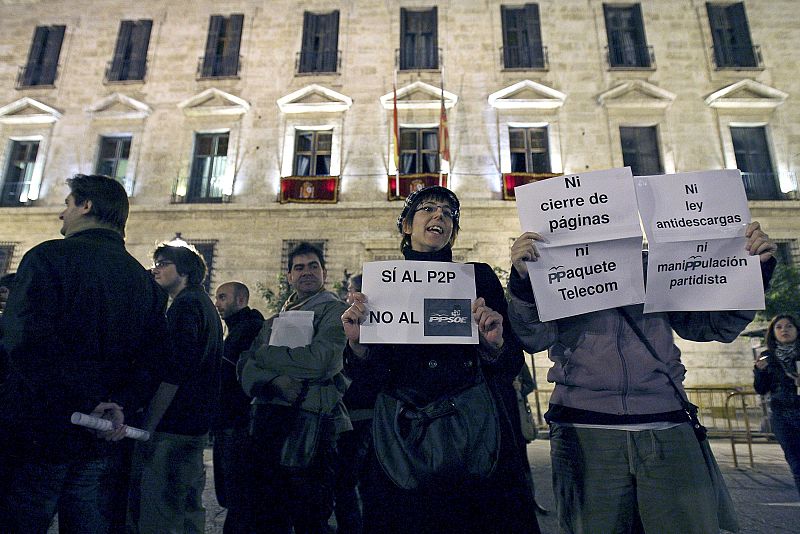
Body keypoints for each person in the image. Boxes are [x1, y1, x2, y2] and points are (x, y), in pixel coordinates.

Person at [507, 222, 777, 533]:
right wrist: (524, 283)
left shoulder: (657, 266)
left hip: (667, 425)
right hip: (584, 431)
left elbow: (711, 326)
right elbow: (533, 338)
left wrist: (753, 274)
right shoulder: (553, 267)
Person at [341, 186, 540, 534]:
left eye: (448, 214)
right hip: (403, 442)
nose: (439, 217)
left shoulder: (479, 279)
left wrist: (493, 346)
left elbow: (509, 365)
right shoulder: (377, 288)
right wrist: (358, 346)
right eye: (428, 209)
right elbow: (367, 384)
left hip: (474, 436)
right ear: (406, 226)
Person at [0, 174, 168, 533]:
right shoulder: (146, 284)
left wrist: (82, 401)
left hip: (39, 429)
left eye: (67, 203)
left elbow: (23, 342)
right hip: (102, 436)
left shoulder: (46, 258)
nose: (62, 214)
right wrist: (115, 405)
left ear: (86, 205)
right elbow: (151, 362)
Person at [239, 242, 350, 534]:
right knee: (267, 513)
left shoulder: (336, 312)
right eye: (299, 267)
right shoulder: (276, 317)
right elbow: (245, 369)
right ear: (289, 276)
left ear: (324, 272)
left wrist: (265, 356)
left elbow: (320, 362)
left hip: (311, 422)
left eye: (313, 266)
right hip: (267, 422)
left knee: (309, 515)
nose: (307, 272)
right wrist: (275, 381)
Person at [127, 242, 223, 534]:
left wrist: (150, 423)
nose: (155, 269)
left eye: (163, 263)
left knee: (161, 511)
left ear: (185, 272)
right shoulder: (203, 305)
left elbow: (174, 372)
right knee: (189, 508)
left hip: (174, 425)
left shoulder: (186, 307)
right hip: (194, 424)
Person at [212, 281, 264, 532]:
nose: (217, 303)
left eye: (223, 297)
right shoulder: (236, 329)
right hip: (229, 422)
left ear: (241, 300)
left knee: (239, 498)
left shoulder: (248, 329)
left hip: (237, 423)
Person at [334, 273, 380, 534]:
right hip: (358, 416)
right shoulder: (350, 321)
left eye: (351, 290)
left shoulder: (364, 324)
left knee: (349, 484)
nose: (347, 296)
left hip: (359, 417)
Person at [754, 314, 800, 497]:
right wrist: (759, 372)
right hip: (782, 416)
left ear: (796, 329)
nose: (784, 330)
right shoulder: (767, 357)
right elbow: (760, 389)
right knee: (796, 463)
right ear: (773, 333)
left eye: (789, 326)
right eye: (779, 327)